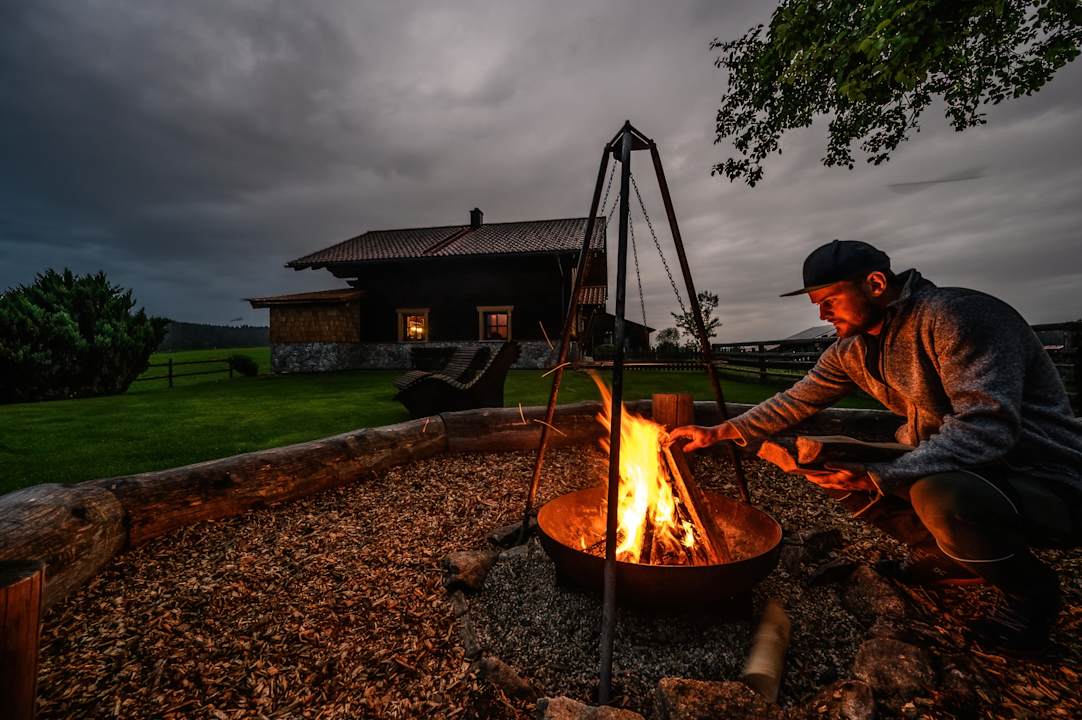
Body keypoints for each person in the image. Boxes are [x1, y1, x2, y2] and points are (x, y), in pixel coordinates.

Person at [669, 239, 1082, 655]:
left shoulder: (958, 316)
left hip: (1043, 478)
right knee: (831, 469)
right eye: (817, 303)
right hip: (967, 467)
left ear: (876, 283)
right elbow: (796, 399)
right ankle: (956, 556)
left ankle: (1033, 596)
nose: (821, 312)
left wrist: (881, 475)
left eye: (830, 299)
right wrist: (718, 432)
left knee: (936, 494)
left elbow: (987, 427)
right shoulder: (851, 349)